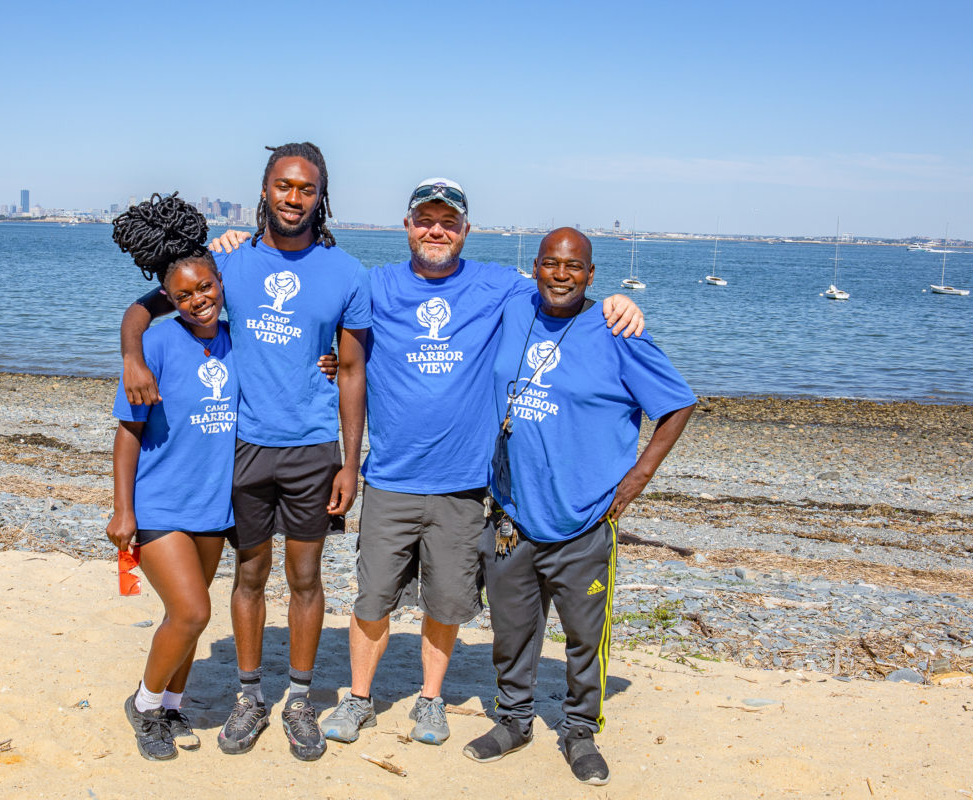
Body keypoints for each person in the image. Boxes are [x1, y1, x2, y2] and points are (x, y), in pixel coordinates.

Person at [215, 179, 644, 748]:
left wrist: (616, 300)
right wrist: (240, 247)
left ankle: (431, 701)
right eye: (425, 220)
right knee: (372, 598)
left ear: (466, 230)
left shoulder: (499, 286)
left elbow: (561, 290)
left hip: (465, 482)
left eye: (448, 222)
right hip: (390, 474)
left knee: (445, 601)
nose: (435, 230)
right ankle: (361, 699)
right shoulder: (377, 283)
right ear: (407, 225)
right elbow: (328, 330)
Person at [120, 143, 370, 762]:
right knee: (250, 575)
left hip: (313, 449)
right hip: (247, 448)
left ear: (321, 196)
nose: (294, 197)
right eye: (283, 186)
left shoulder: (347, 274)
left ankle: (303, 700)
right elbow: (151, 304)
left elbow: (354, 370)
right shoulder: (229, 264)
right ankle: (249, 697)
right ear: (264, 190)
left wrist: (350, 460)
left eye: (306, 188)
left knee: (307, 578)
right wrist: (131, 353)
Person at [464, 227, 696, 786]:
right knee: (512, 631)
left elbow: (678, 404)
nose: (560, 275)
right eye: (550, 263)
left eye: (573, 267)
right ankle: (514, 721)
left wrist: (638, 476)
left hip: (585, 519)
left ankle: (578, 730)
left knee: (584, 639)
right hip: (513, 516)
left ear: (592, 275)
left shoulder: (617, 330)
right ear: (536, 267)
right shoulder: (517, 306)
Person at [107, 193, 237, 761]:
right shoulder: (155, 343)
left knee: (188, 614)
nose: (198, 300)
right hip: (159, 502)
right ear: (169, 299)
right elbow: (128, 433)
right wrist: (122, 510)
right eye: (183, 295)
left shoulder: (239, 341)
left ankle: (171, 704)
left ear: (220, 281)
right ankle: (142, 704)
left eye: (205, 288)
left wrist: (327, 363)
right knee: (192, 612)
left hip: (214, 505)